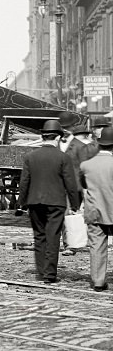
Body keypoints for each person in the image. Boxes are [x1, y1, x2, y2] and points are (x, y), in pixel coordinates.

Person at [18, 118, 82, 283]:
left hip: (34, 202)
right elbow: (70, 183)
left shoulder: (30, 157)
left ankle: (41, 272)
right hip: (56, 203)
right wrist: (75, 204)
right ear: (57, 137)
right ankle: (49, 274)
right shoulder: (63, 157)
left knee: (39, 236)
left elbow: (24, 182)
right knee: (53, 237)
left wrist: (22, 202)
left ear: (43, 137)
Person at [80, 125, 113, 291]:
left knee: (97, 246)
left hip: (94, 211)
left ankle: (98, 281)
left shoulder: (86, 165)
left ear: (99, 144)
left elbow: (83, 185)